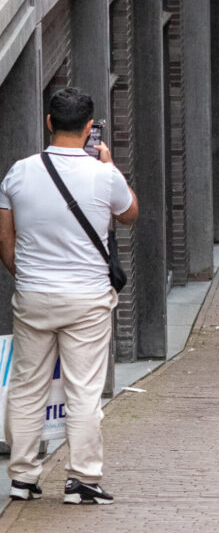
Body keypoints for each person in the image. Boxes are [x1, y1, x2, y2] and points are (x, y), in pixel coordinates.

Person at [0, 87, 138, 505]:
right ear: (89, 128)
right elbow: (130, 214)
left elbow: (5, 239)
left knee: (26, 387)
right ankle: (83, 480)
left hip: (34, 295)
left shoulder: (19, 172)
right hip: (87, 300)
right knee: (83, 390)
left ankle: (22, 478)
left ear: (49, 123)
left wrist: (24, 275)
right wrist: (112, 165)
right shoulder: (104, 175)